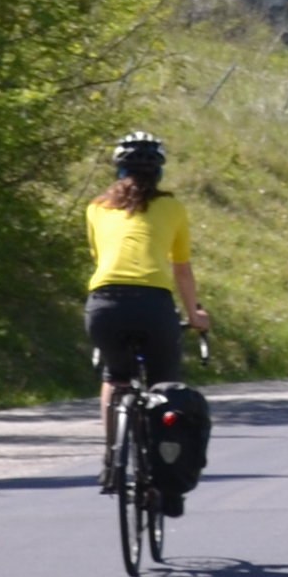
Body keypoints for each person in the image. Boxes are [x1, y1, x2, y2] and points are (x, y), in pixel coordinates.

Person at [82, 131, 208, 438]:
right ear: (159, 172)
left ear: (119, 171)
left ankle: (112, 456)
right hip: (153, 305)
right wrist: (194, 316)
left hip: (104, 304)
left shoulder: (96, 208)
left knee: (115, 376)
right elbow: (181, 270)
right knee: (163, 382)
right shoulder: (172, 208)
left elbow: (100, 257)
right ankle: (157, 456)